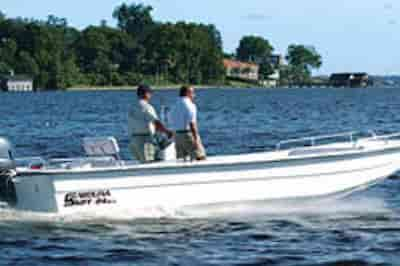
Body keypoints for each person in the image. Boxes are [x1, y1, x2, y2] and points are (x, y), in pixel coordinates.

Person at [128, 85, 173, 163]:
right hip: (145, 141)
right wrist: (168, 132)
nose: (151, 95)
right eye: (150, 93)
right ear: (145, 94)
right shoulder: (147, 106)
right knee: (149, 164)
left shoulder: (132, 106)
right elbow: (156, 122)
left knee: (142, 163)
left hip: (134, 140)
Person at [170, 85, 206, 161]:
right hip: (188, 134)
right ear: (188, 93)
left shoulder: (174, 106)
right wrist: (196, 139)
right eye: (193, 93)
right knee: (200, 157)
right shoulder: (190, 105)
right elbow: (192, 124)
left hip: (177, 135)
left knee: (181, 160)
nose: (194, 95)